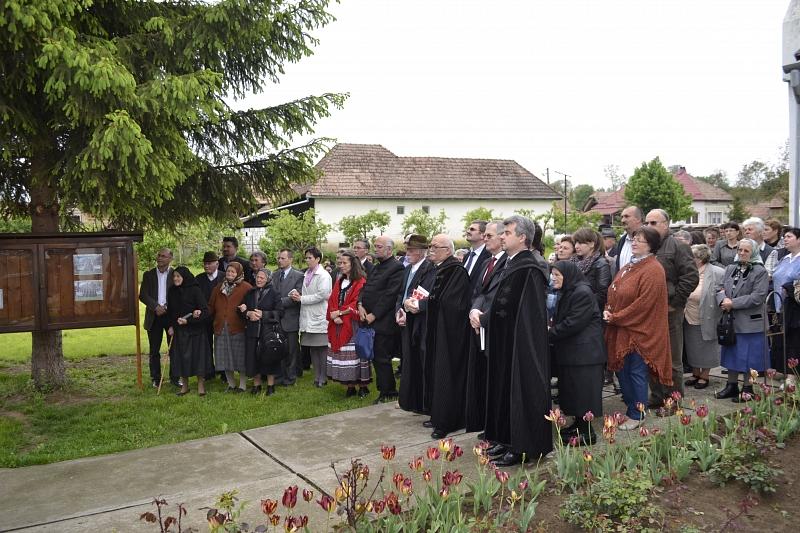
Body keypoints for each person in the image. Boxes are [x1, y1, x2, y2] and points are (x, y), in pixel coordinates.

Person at [484, 215, 552, 467]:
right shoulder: (511, 264)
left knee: (520, 390)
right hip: (505, 339)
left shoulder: (529, 268)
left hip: (520, 344)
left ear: (523, 237)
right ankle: (505, 438)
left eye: (508, 232)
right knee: (503, 388)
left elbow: (527, 312)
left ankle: (522, 446)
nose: (502, 236)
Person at [604, 226, 672, 430]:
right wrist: (608, 309)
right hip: (622, 328)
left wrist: (615, 316)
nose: (634, 243)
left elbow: (643, 304)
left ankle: (638, 414)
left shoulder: (653, 269)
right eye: (633, 239)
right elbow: (613, 291)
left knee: (636, 372)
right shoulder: (629, 266)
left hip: (641, 332)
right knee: (623, 372)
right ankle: (631, 409)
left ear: (651, 246)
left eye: (639, 240)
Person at [644, 208, 698, 406]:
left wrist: (675, 304)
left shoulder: (677, 246)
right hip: (649, 313)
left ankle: (674, 400)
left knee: (673, 359)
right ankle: (657, 395)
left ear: (666, 224)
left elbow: (691, 277)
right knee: (651, 356)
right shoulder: (647, 246)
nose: (649, 226)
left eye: (653, 223)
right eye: (647, 223)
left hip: (669, 311)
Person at [549, 260, 606, 445]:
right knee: (575, 393)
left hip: (585, 355)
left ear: (569, 275)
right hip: (574, 354)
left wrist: (547, 334)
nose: (553, 278)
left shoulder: (582, 292)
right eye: (553, 274)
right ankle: (578, 427)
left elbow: (573, 323)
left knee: (584, 395)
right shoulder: (570, 290)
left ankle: (587, 434)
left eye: (557, 275)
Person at [424, 234, 472, 439]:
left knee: (446, 374)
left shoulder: (456, 271)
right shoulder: (439, 269)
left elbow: (453, 303)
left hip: (450, 334)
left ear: (448, 250)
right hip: (438, 330)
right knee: (436, 372)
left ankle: (447, 421)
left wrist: (427, 302)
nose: (431, 249)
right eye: (431, 245)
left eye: (436, 246)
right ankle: (438, 415)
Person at [714, 238, 769, 402]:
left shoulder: (760, 271)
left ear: (753, 252)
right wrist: (722, 300)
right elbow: (719, 287)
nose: (742, 253)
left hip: (750, 322)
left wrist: (733, 303)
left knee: (749, 357)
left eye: (746, 251)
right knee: (731, 354)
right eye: (740, 250)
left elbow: (758, 297)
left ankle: (748, 388)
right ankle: (731, 386)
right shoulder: (731, 267)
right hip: (731, 320)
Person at [466, 221, 507, 436]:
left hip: (494, 326)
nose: (485, 239)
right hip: (479, 324)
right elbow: (479, 292)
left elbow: (499, 297)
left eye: (489, 235)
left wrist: (483, 318)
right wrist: (474, 311)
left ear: (502, 238)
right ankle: (484, 420)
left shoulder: (507, 264)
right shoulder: (486, 263)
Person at [358, 235, 405, 403]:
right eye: (375, 246)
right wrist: (360, 304)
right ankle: (385, 389)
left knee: (382, 358)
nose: (375, 249)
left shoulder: (397, 267)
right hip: (369, 318)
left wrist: (374, 314)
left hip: (384, 322)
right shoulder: (377, 267)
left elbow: (390, 296)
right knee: (376, 358)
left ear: (389, 249)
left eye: (379, 246)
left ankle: (388, 391)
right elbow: (366, 287)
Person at [397, 234, 436, 414]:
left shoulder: (429, 269)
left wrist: (409, 308)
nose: (407, 253)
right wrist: (399, 310)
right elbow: (401, 293)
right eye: (407, 250)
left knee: (419, 363)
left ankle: (422, 402)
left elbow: (424, 296)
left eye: (411, 250)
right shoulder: (407, 269)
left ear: (421, 252)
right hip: (406, 319)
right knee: (408, 362)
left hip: (419, 322)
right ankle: (411, 399)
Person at [326, 251, 370, 397]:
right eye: (340, 263)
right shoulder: (340, 281)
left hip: (353, 324)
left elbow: (356, 302)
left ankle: (363, 386)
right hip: (338, 322)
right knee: (345, 356)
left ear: (353, 264)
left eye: (345, 263)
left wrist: (339, 313)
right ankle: (350, 386)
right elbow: (332, 299)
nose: (341, 265)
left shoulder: (361, 281)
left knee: (356, 355)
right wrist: (333, 314)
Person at [683, 244, 725, 390]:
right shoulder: (688, 271)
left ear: (700, 258)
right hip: (688, 315)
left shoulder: (717, 272)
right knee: (691, 346)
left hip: (707, 315)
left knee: (706, 347)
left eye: (691, 257)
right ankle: (695, 373)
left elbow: (722, 293)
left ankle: (705, 375)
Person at [291, 247, 332, 387]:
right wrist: (296, 294)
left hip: (319, 316)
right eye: (306, 258)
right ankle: (316, 376)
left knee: (322, 348)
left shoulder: (324, 275)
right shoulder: (306, 274)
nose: (307, 260)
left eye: (310, 258)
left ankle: (324, 377)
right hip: (307, 317)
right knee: (312, 348)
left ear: (318, 259)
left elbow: (322, 295)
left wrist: (302, 299)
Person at [167, 266, 211, 396]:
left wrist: (189, 320)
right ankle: (184, 387)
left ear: (184, 277)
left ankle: (201, 387)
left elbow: (205, 312)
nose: (175, 279)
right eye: (174, 276)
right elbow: (170, 312)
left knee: (198, 359)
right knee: (181, 359)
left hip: (196, 331)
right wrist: (170, 325)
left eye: (178, 276)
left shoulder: (195, 290)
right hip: (180, 332)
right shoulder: (172, 291)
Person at [208, 262, 253, 392]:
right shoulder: (218, 288)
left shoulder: (246, 287)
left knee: (240, 357)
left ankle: (242, 385)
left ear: (238, 273)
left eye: (233, 272)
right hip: (221, 327)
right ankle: (231, 384)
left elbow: (252, 304)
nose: (230, 274)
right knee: (224, 357)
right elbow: (211, 306)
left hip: (238, 327)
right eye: (228, 271)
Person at [139, 248, 176, 388]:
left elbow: (179, 293)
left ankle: (175, 377)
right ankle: (155, 378)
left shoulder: (174, 274)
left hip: (170, 316)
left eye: (163, 256)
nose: (160, 258)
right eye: (159, 255)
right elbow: (143, 295)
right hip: (154, 316)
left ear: (170, 258)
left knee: (174, 348)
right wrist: (156, 306)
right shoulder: (148, 275)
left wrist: (167, 306)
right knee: (154, 350)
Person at [241, 268, 282, 395]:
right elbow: (241, 309)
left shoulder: (275, 293)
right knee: (253, 358)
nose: (258, 280)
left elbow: (280, 312)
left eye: (262, 278)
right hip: (252, 331)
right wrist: (247, 313)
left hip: (268, 331)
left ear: (268, 279)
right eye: (257, 277)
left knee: (269, 358)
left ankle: (270, 386)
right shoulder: (250, 292)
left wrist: (264, 314)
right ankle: (256, 386)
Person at [770, 227, 800, 379]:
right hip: (779, 305)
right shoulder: (785, 258)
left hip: (795, 308)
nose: (785, 239)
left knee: (794, 340)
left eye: (789, 236)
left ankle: (792, 376)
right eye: (784, 237)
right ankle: (784, 369)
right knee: (782, 340)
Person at [272, 249, 304, 385]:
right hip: (276, 318)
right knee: (278, 348)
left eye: (283, 258)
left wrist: (278, 303)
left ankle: (291, 377)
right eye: (279, 258)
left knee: (291, 350)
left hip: (290, 318)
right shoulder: (274, 275)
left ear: (290, 259)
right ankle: (279, 376)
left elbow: (295, 298)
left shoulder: (298, 276)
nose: (280, 260)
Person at [572, 228, 611, 312]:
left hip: (590, 312)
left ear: (591, 244)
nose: (576, 246)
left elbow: (602, 295)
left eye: (580, 243)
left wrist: (580, 304)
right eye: (575, 243)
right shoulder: (574, 262)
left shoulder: (601, 264)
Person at [196, 251, 222, 380]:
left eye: (209, 263)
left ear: (217, 263)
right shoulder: (199, 279)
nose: (206, 266)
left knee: (221, 345)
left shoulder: (223, 277)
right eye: (205, 264)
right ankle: (208, 372)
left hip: (221, 318)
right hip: (204, 318)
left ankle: (223, 372)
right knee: (206, 345)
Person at [463, 220, 491, 289]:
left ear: (482, 235)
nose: (468, 231)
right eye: (468, 229)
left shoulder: (489, 257)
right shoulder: (466, 256)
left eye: (472, 229)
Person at [614, 205, 644, 271]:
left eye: (626, 216)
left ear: (638, 219)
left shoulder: (649, 239)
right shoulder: (622, 241)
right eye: (622, 217)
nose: (622, 220)